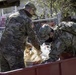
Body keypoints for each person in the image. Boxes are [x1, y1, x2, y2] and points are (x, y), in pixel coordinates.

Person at [0, 2, 41, 72]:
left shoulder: (11, 16)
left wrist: (26, 44)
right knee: (19, 72)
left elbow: (12, 34)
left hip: (2, 49)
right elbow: (32, 37)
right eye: (33, 13)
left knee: (5, 72)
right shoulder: (27, 19)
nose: (32, 15)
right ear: (31, 10)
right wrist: (39, 49)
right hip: (14, 52)